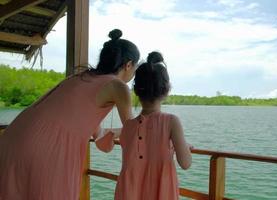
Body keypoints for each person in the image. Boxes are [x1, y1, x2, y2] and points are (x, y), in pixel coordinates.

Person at [0, 29, 140, 200]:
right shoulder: (118, 86)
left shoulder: (80, 78)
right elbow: (135, 129)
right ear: (128, 65)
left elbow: (99, 135)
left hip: (14, 136)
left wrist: (115, 132)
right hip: (48, 147)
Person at [114, 52, 192, 200]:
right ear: (167, 90)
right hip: (161, 193)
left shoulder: (129, 125)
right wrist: (182, 145)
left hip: (128, 192)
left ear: (136, 91)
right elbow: (186, 163)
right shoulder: (171, 121)